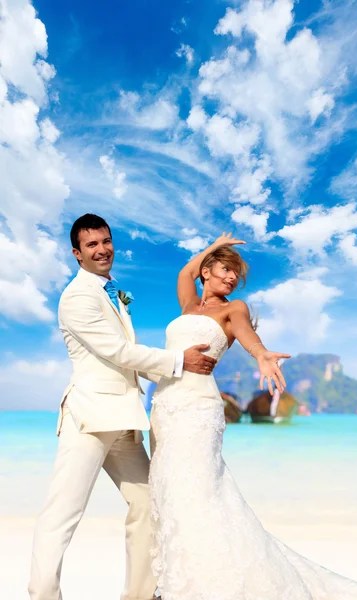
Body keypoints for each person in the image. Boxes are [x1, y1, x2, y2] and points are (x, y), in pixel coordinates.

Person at [149, 233, 357, 600]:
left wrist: (261, 354)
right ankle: (174, 577)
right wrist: (213, 246)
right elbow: (185, 271)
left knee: (199, 490)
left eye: (236, 274)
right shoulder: (187, 307)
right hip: (166, 407)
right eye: (225, 269)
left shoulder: (234, 309)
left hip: (198, 408)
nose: (231, 278)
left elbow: (247, 336)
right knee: (171, 490)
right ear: (207, 272)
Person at [28, 214, 216, 600]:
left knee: (149, 504)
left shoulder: (113, 290)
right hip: (90, 418)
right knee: (62, 515)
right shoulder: (77, 296)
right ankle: (43, 594)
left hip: (125, 419)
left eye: (106, 241)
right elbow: (116, 351)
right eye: (92, 244)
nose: (102, 249)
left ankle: (140, 594)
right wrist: (178, 362)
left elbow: (124, 356)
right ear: (76, 254)